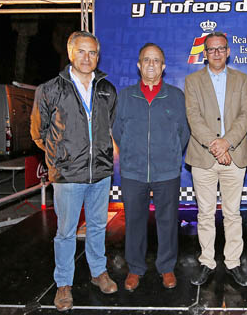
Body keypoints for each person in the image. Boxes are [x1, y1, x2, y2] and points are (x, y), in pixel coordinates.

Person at [31, 31, 118, 312]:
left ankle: (98, 273)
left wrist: (103, 154)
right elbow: (38, 132)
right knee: (66, 232)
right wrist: (60, 158)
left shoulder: (107, 89)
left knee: (96, 227)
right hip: (68, 175)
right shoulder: (50, 89)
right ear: (70, 53)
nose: (87, 57)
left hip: (100, 173)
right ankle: (64, 284)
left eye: (92, 52)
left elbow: (109, 127)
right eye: (81, 51)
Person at [112, 43, 190, 292]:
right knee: (134, 221)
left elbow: (183, 132)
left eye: (156, 60)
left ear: (163, 66)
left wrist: (170, 154)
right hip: (133, 172)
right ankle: (135, 269)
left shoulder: (176, 96)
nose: (151, 64)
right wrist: (132, 154)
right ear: (139, 65)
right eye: (147, 60)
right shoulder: (125, 96)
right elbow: (117, 131)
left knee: (168, 221)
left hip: (166, 171)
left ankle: (166, 267)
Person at [185, 31, 247, 287]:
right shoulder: (192, 81)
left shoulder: (241, 79)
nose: (216, 53)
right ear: (205, 54)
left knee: (233, 213)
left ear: (228, 51)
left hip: (234, 156)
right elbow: (194, 117)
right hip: (203, 156)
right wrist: (216, 146)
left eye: (220, 48)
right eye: (211, 49)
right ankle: (207, 261)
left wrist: (227, 143)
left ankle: (233, 262)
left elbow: (246, 115)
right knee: (204, 213)